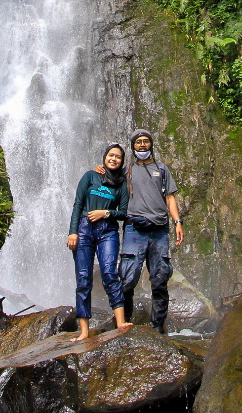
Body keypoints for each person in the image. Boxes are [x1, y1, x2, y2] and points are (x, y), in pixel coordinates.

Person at [118, 129, 183, 334]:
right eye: (139, 142)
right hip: (134, 228)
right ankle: (124, 322)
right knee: (128, 278)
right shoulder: (126, 171)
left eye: (146, 141)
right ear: (133, 146)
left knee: (160, 278)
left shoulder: (162, 170)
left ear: (151, 145)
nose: (143, 145)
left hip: (159, 230)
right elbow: (109, 181)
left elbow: (170, 198)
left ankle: (158, 326)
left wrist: (178, 222)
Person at [67, 143, 133, 341]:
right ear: (105, 157)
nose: (113, 159)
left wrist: (106, 212)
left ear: (122, 162)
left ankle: (120, 322)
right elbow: (78, 204)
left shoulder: (122, 184)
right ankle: (84, 331)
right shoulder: (90, 176)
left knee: (109, 273)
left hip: (108, 231)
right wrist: (73, 232)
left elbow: (124, 212)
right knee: (84, 277)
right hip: (84, 230)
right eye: (111, 155)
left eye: (118, 157)